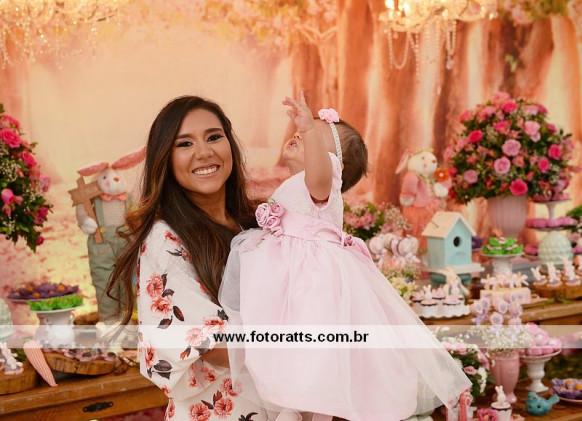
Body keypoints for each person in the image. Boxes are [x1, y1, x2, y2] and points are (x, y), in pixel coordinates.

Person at [220, 93, 472, 421]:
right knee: (292, 355)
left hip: (309, 284)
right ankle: (293, 405)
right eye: (300, 132)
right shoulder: (295, 185)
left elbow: (319, 173)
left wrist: (309, 128)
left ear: (334, 166)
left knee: (313, 357)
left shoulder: (321, 184)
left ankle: (302, 410)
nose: (299, 134)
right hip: (289, 279)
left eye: (314, 137)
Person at [106, 96, 272, 420]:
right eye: (185, 143)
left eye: (214, 137)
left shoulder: (255, 224)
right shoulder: (164, 239)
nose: (204, 152)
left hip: (275, 404)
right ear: (165, 160)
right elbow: (211, 344)